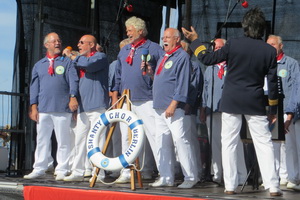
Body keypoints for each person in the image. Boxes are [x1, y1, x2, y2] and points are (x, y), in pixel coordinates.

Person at [182, 7, 282, 196]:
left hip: (231, 100)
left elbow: (207, 58)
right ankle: (273, 186)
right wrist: (273, 108)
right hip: (255, 101)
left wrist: (195, 41)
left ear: (245, 27)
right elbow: (273, 82)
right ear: (262, 28)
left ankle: (230, 185)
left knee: (228, 142)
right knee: (264, 143)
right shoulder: (269, 51)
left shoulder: (233, 44)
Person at [111, 16, 165, 182]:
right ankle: (127, 171)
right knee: (127, 137)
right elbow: (117, 76)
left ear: (141, 31)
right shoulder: (124, 50)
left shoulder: (154, 48)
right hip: (127, 99)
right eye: (127, 30)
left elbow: (163, 72)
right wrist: (116, 96)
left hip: (147, 98)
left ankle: (161, 172)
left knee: (153, 135)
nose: (128, 33)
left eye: (130, 30)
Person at [24, 32, 79, 181]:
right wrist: (33, 106)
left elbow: (74, 81)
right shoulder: (39, 65)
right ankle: (40, 168)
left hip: (62, 107)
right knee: (42, 139)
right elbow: (34, 87)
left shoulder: (66, 62)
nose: (57, 43)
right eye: (54, 41)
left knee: (63, 140)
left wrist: (73, 97)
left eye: (59, 41)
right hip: (44, 108)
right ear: (46, 44)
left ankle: (62, 168)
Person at [150, 28, 198, 189]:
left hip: (172, 107)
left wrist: (174, 103)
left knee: (180, 140)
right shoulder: (165, 56)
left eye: (168, 37)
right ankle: (166, 176)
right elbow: (163, 79)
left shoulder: (182, 56)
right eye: (163, 37)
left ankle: (190, 176)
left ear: (177, 39)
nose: (164, 40)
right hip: (159, 106)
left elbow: (183, 83)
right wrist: (150, 73)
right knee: (162, 142)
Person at [62, 34, 109, 181]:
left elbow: (89, 65)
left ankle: (98, 173)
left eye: (82, 42)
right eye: (79, 42)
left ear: (92, 45)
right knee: (80, 140)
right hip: (83, 107)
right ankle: (77, 171)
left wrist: (72, 56)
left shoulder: (100, 57)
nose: (78, 45)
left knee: (97, 140)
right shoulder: (78, 61)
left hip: (97, 105)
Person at [200, 38, 247, 185]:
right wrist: (203, 109)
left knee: (234, 143)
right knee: (215, 143)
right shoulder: (210, 68)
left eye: (220, 47)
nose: (216, 50)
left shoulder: (233, 65)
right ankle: (218, 173)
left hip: (230, 110)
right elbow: (205, 91)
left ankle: (240, 175)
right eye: (214, 47)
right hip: (212, 110)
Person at [267, 35, 300, 189]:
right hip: (271, 110)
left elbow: (295, 89)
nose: (271, 47)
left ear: (281, 46)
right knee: (273, 145)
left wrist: (290, 113)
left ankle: (292, 177)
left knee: (289, 145)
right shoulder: (265, 64)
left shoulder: (291, 63)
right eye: (268, 45)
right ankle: (274, 176)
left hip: (287, 109)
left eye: (273, 44)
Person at [181, 40, 203, 181]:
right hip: (175, 107)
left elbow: (195, 86)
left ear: (188, 51)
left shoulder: (194, 65)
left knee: (190, 140)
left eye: (182, 48)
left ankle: (197, 171)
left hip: (188, 108)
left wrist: (189, 104)